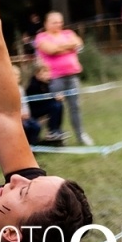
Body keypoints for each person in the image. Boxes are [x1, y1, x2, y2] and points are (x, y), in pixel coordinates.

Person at [0, 0, 93, 242]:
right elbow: (3, 113)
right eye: (31, 181)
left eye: (24, 192)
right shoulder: (11, 208)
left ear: (12, 235)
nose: (16, 180)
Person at [30, 15, 90, 147]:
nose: (58, 24)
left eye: (60, 22)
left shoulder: (68, 33)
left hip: (72, 75)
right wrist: (68, 47)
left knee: (75, 107)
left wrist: (60, 47)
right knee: (57, 107)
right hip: (54, 77)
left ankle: (81, 134)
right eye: (54, 22)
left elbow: (79, 44)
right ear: (46, 23)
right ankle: (56, 134)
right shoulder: (41, 37)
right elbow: (51, 50)